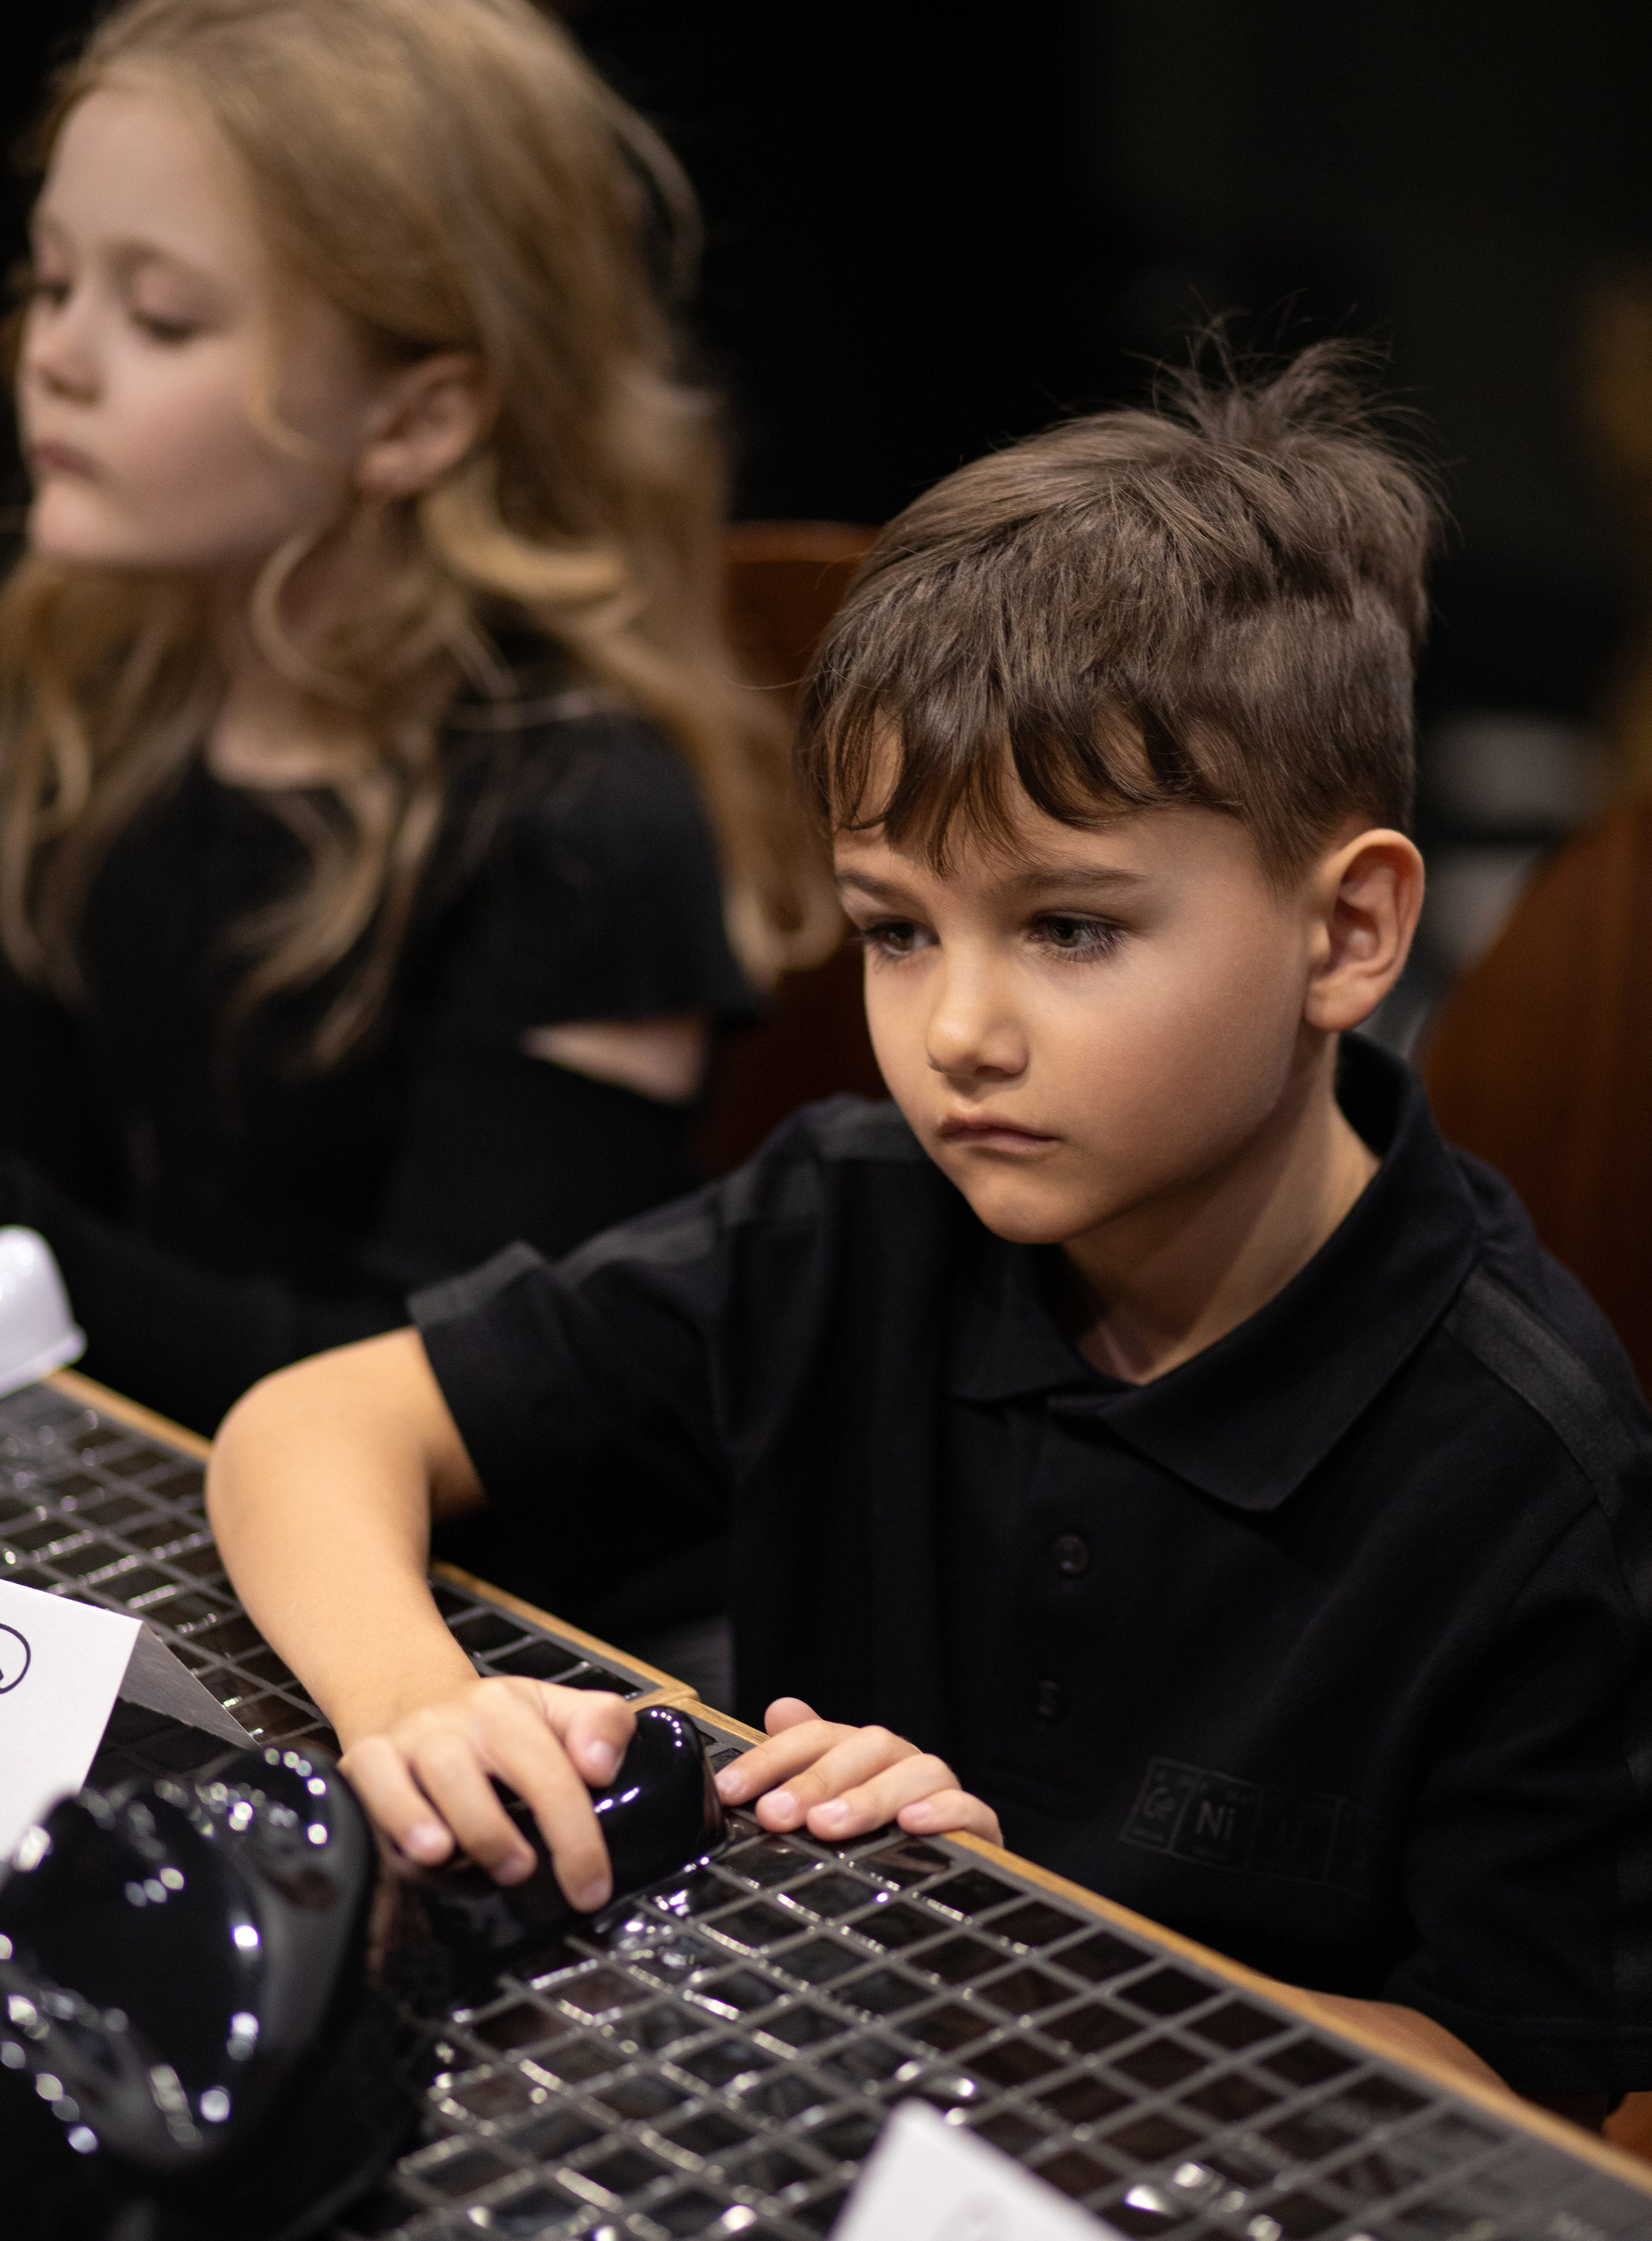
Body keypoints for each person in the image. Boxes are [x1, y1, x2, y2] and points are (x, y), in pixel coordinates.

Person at [209, 347, 1652, 2125]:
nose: (955, 1030)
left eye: (1067, 929)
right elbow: (310, 1428)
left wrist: (1032, 1947)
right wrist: (414, 1703)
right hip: (820, 2108)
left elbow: (1525, 2102)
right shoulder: (855, 1213)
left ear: (1348, 932)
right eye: (898, 930)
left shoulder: (1529, 1468)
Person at [0, 0, 830, 1444]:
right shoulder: (89, 696)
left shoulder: (586, 824)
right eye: (50, 280)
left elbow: (459, 1411)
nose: (55, 357)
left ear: (414, 423)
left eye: (160, 316)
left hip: (448, 1579)